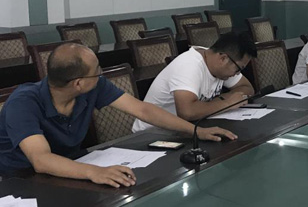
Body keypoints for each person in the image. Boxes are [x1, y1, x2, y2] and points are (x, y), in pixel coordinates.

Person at [0, 43, 235, 186]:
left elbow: (142, 109)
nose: (101, 74)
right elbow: (41, 160)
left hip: (72, 168)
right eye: (97, 71)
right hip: (22, 179)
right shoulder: (24, 102)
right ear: (78, 83)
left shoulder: (93, 87)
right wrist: (95, 172)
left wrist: (196, 131)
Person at [132, 32, 256, 132]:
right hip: (152, 133)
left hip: (185, 129)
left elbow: (247, 88)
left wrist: (224, 100)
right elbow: (187, 112)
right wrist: (227, 103)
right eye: (238, 69)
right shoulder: (189, 65)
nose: (237, 74)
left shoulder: (217, 62)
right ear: (223, 58)